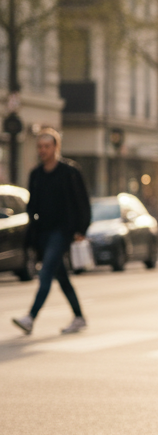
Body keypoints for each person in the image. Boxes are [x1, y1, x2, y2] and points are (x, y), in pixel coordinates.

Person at [11, 128, 90, 336]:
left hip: (63, 232)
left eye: (47, 146)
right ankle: (79, 317)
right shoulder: (36, 175)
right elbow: (32, 207)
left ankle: (30, 317)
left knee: (45, 273)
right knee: (61, 277)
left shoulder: (70, 172)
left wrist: (81, 229)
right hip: (43, 233)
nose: (42, 150)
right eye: (40, 147)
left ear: (56, 147)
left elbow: (83, 203)